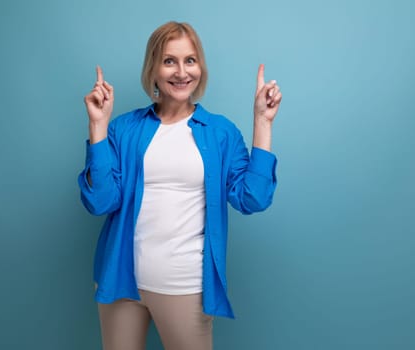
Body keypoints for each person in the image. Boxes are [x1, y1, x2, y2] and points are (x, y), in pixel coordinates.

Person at [78, 21, 282, 350]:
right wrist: (98, 126)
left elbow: (253, 198)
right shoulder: (124, 129)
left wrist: (262, 123)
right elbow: (101, 200)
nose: (181, 72)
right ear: (154, 69)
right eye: (169, 60)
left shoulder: (220, 133)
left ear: (200, 67)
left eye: (190, 60)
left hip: (184, 284)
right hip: (120, 280)